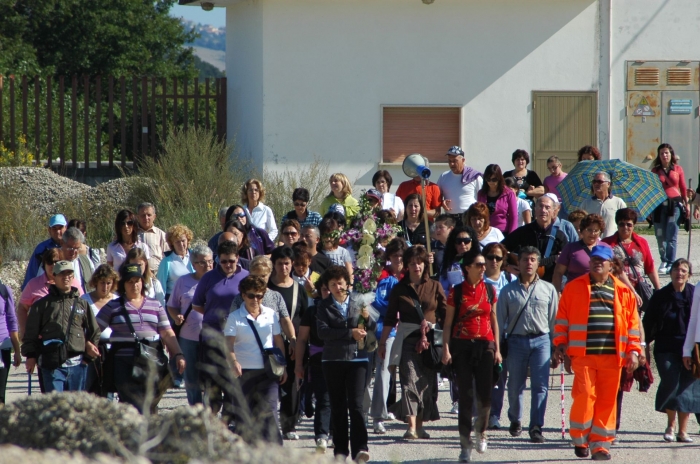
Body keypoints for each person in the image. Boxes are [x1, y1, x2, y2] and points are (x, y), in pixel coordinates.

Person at [554, 245, 641, 460]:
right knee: (584, 396)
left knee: (607, 400)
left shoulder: (623, 291)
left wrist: (634, 352)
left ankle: (600, 445)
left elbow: (632, 326)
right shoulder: (573, 288)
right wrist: (560, 343)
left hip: (613, 356)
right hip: (583, 355)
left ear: (611, 265)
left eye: (602, 260)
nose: (597, 263)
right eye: (594, 259)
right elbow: (562, 319)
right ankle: (580, 439)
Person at [96, 263, 185, 413]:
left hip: (151, 361)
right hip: (124, 364)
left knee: (150, 404)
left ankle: (147, 433)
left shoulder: (155, 305)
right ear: (123, 284)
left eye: (137, 281)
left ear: (142, 282)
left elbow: (167, 332)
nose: (134, 285)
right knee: (132, 406)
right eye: (129, 281)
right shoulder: (113, 306)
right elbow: (95, 330)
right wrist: (89, 345)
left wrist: (178, 354)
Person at [442, 250, 500, 463]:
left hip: (486, 345)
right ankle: (465, 445)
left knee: (485, 395)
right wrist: (446, 349)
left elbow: (494, 320)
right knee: (465, 398)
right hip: (462, 346)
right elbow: (447, 323)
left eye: (484, 264)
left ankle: (481, 432)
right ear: (467, 268)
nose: (484, 267)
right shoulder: (455, 292)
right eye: (479, 264)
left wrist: (498, 349)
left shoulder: (491, 290)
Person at [380, 246, 445, 439]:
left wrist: (447, 342)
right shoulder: (399, 289)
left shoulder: (435, 286)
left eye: (419, 262)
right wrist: (383, 343)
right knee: (408, 382)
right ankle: (410, 426)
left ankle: (421, 425)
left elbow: (445, 315)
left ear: (425, 264)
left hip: (431, 341)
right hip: (407, 340)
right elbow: (390, 318)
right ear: (407, 265)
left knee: (426, 384)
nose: (416, 266)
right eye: (412, 263)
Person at [497, 247, 558, 443]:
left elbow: (554, 321)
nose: (529, 263)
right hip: (516, 341)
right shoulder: (507, 291)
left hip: (541, 341)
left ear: (538, 264)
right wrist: (498, 348)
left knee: (541, 386)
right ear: (519, 263)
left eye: (533, 260)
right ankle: (515, 418)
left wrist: (557, 347)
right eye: (525, 259)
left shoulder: (548, 289)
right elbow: (499, 322)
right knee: (515, 385)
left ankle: (536, 426)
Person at [317, 265, 375, 463]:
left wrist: (367, 319)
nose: (337, 287)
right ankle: (341, 451)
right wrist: (349, 333)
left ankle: (361, 447)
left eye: (340, 283)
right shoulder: (323, 306)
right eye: (332, 284)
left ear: (346, 283)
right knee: (338, 406)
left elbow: (372, 326)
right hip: (332, 360)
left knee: (357, 405)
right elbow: (322, 332)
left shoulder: (359, 301)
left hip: (358, 359)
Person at [22, 260, 101, 393]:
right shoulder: (42, 305)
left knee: (75, 409)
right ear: (54, 277)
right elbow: (31, 333)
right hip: (51, 364)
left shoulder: (82, 304)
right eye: (62, 274)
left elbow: (95, 330)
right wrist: (30, 356)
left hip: (77, 365)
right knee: (54, 407)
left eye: (69, 274)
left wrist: (88, 358)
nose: (66, 277)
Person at [225, 275, 287, 444]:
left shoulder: (271, 314)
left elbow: (278, 341)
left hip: (268, 372)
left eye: (259, 295)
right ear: (243, 295)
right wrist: (233, 362)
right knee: (245, 416)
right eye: (251, 295)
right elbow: (228, 344)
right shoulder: (235, 317)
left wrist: (283, 367)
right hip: (243, 373)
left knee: (270, 413)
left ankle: (275, 455)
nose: (255, 299)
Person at [192, 241, 249, 423]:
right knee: (212, 381)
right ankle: (211, 420)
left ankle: (229, 420)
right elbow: (197, 304)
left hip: (238, 338)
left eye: (231, 261)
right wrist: (214, 316)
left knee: (233, 380)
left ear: (237, 258)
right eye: (223, 261)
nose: (227, 265)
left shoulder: (246, 277)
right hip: (212, 336)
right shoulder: (208, 277)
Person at [644, 259, 698, 443]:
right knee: (671, 382)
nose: (679, 273)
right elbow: (648, 323)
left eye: (684, 270)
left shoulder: (694, 294)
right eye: (676, 269)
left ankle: (683, 431)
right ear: (671, 272)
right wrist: (643, 347)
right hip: (665, 348)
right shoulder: (660, 296)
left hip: (690, 348)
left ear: (689, 275)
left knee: (687, 388)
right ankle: (670, 425)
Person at [268, 246, 308, 440]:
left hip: (294, 342)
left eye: (287, 263)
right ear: (273, 265)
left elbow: (304, 316)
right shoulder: (266, 287)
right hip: (270, 342)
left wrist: (298, 341)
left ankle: (289, 425)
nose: (283, 267)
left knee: (292, 383)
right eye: (280, 264)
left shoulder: (298, 289)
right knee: (270, 383)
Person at [166, 243, 214, 405]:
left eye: (210, 261)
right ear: (193, 265)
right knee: (191, 376)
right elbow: (171, 305)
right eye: (202, 262)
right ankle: (196, 411)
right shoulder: (183, 281)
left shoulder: (218, 281)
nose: (207, 265)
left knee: (210, 376)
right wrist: (176, 315)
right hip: (188, 336)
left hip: (213, 337)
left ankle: (209, 412)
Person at [371, 237, 408, 434]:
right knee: (383, 373)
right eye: (395, 256)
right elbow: (378, 304)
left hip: (408, 330)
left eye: (402, 257)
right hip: (386, 330)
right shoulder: (383, 278)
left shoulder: (411, 276)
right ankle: (377, 416)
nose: (399, 260)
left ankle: (410, 415)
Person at [295, 275, 333, 453]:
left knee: (339, 399)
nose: (328, 292)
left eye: (330, 288)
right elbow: (302, 339)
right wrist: (299, 365)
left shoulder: (345, 309)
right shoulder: (312, 312)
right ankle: (321, 436)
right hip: (318, 359)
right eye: (324, 289)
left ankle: (336, 432)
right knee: (323, 399)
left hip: (341, 358)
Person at [481, 242, 516, 430]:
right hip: (481, 334)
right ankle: (479, 413)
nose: (494, 261)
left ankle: (494, 414)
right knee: (480, 377)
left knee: (500, 378)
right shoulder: (478, 279)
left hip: (504, 335)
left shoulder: (509, 279)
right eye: (490, 257)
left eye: (498, 258)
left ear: (503, 261)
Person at [502, 195, 569, 283]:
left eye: (547, 207)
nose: (543, 210)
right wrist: (507, 266)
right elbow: (500, 248)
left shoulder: (559, 236)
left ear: (553, 212)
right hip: (523, 282)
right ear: (535, 209)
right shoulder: (523, 232)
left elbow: (567, 263)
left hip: (549, 284)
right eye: (540, 206)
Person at [18, 248, 83, 337]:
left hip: (69, 337)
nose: (53, 265)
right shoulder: (33, 284)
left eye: (57, 262)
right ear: (44, 264)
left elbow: (83, 306)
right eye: (50, 262)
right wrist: (24, 331)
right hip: (41, 338)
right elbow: (22, 308)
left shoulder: (74, 283)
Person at [80, 264, 119, 394]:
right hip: (91, 348)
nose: (105, 287)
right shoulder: (85, 300)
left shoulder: (118, 301)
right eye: (102, 282)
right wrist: (87, 345)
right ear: (96, 281)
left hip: (113, 348)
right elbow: (78, 327)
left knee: (110, 387)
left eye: (109, 283)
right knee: (91, 386)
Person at [602, 208, 661, 294]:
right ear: (617, 225)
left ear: (634, 225)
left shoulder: (641, 242)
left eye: (629, 224)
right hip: (614, 289)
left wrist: (658, 290)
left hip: (639, 289)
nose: (625, 227)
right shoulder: (606, 243)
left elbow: (650, 268)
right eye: (621, 224)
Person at [651, 143, 688, 274]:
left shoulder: (678, 169)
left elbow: (683, 188)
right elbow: (652, 190)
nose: (664, 155)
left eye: (666, 153)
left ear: (671, 154)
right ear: (659, 156)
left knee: (671, 235)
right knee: (660, 235)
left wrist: (686, 206)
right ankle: (664, 259)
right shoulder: (655, 171)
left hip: (675, 204)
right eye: (662, 153)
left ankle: (671, 262)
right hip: (659, 205)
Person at [552, 214, 609, 291]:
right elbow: (558, 272)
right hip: (575, 293)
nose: (592, 233)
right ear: (582, 230)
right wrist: (557, 293)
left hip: (599, 295)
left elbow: (615, 271)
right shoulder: (570, 248)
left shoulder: (606, 248)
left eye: (596, 230)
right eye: (589, 230)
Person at [437, 145, 483, 223]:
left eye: (455, 161)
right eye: (449, 161)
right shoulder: (443, 176)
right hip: (450, 219)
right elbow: (437, 196)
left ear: (463, 160)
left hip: (469, 218)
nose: (451, 164)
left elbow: (483, 198)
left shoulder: (474, 177)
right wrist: (442, 202)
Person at [22, 214, 66, 290]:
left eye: (60, 228)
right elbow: (32, 270)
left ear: (66, 228)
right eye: (54, 228)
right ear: (49, 230)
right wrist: (27, 290)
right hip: (45, 290)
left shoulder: (71, 247)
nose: (58, 231)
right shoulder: (42, 248)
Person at [579, 171, 627, 239]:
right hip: (592, 243)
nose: (596, 184)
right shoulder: (586, 203)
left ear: (608, 184)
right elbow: (580, 224)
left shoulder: (618, 202)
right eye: (594, 181)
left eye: (599, 181)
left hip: (612, 243)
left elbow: (625, 223)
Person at [439, 225, 480, 298]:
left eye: (466, 241)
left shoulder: (480, 263)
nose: (462, 244)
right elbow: (442, 290)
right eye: (459, 241)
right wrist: (451, 291)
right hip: (454, 302)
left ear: (472, 242)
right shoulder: (447, 264)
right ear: (454, 244)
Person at [156, 224, 195, 299]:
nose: (181, 244)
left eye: (183, 240)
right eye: (177, 242)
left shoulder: (195, 257)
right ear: (172, 243)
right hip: (174, 302)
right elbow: (160, 288)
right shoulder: (167, 262)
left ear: (188, 240)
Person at [477, 164, 518, 234]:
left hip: (503, 231)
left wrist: (512, 236)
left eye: (494, 179)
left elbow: (513, 217)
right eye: (488, 179)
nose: (491, 182)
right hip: (485, 231)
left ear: (499, 178)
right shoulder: (481, 193)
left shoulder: (509, 193)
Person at [0, 262, 20, 404]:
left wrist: (17, 350)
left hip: (2, 348)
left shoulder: (4, 290)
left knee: (0, 396)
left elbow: (12, 320)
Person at [136, 202, 169, 274]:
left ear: (154, 217)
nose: (146, 218)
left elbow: (167, 257)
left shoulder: (161, 235)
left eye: (149, 215)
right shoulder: (133, 234)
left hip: (157, 273)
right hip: (137, 275)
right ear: (138, 217)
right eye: (143, 215)